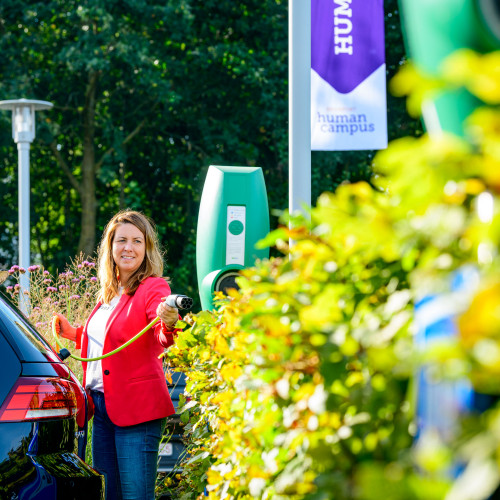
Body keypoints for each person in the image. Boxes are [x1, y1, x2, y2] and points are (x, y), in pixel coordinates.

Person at [54, 210, 180, 500]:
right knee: (109, 494)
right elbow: (111, 338)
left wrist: (169, 321)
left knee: (135, 495)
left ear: (147, 249)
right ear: (110, 248)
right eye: (121, 240)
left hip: (137, 410)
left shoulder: (153, 287)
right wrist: (74, 333)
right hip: (102, 408)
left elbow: (160, 333)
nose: (128, 247)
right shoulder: (109, 293)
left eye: (137, 241)